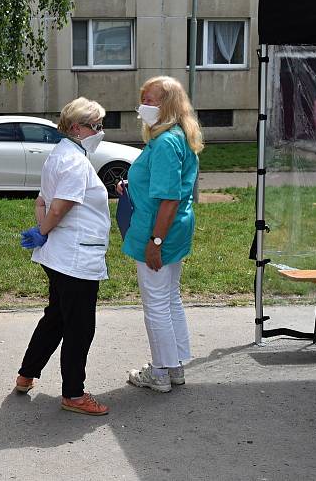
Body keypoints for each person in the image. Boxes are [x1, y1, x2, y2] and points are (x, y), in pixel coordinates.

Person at [15, 97, 111, 416]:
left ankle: (27, 374)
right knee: (80, 326)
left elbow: (41, 201)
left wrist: (43, 230)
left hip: (60, 255)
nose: (100, 131)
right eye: (95, 126)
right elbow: (59, 205)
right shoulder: (75, 161)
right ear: (76, 128)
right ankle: (73, 393)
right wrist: (44, 231)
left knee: (56, 316)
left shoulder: (60, 155)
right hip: (75, 258)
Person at [120, 75, 203, 393]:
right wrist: (132, 188)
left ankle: (159, 373)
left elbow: (169, 197)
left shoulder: (167, 142)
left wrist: (154, 242)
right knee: (169, 299)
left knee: (156, 303)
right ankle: (174, 367)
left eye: (150, 99)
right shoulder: (176, 136)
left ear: (168, 104)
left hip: (159, 231)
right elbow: (164, 188)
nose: (143, 105)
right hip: (173, 227)